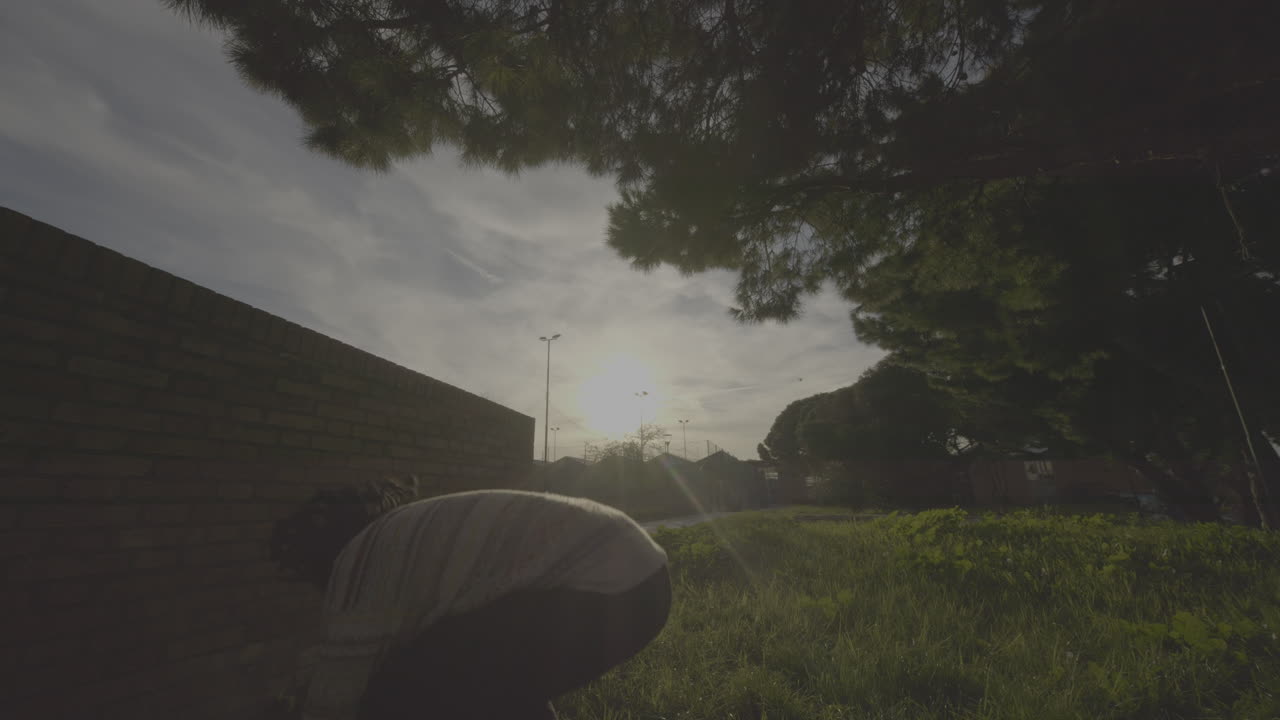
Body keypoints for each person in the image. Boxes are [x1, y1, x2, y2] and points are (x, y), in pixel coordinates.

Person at [278, 484, 672, 720]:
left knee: (396, 691)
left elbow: (341, 686)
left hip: (610, 587)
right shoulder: (394, 538)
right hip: (638, 577)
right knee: (483, 685)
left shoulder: (356, 562)